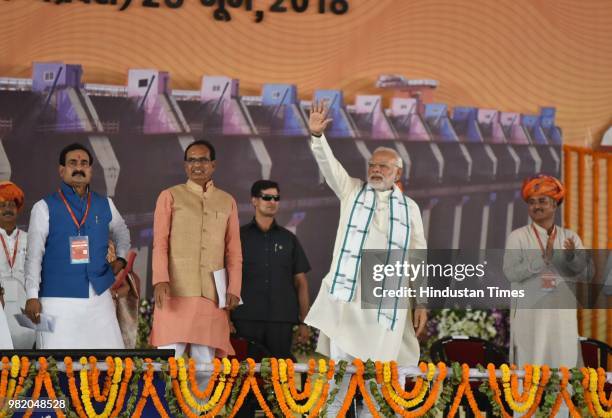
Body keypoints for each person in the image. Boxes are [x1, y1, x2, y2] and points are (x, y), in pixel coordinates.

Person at [304, 101, 428, 417]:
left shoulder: (409, 208)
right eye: (372, 165)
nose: (375, 170)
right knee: (339, 378)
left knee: (378, 383)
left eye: (383, 166)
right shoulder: (352, 192)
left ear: (398, 172)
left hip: (387, 306)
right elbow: (329, 167)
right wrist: (318, 136)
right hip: (349, 301)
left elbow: (418, 258)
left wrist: (421, 302)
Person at [24, 143, 131, 349]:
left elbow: (122, 232)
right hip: (56, 299)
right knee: (58, 367)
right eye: (73, 163)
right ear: (61, 170)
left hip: (99, 298)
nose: (79, 168)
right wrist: (31, 296)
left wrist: (121, 259)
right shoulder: (44, 207)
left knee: (108, 363)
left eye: (84, 163)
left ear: (91, 170)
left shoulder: (105, 203)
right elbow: (34, 256)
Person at [150, 140, 242, 364]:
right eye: (191, 160)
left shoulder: (227, 201)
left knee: (204, 367)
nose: (197, 165)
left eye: (202, 159)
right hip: (175, 291)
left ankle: (200, 402)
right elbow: (159, 243)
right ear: (185, 166)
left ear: (213, 165)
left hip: (211, 294)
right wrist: (160, 279)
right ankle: (162, 400)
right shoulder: (170, 196)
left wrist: (234, 288)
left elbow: (234, 251)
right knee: (167, 363)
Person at [231, 180, 311, 417]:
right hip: (246, 319)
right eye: (267, 197)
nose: (272, 202)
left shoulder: (288, 239)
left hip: (280, 320)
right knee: (245, 378)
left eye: (276, 198)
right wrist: (226, 316)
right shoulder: (238, 237)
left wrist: (304, 321)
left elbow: (301, 282)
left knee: (279, 378)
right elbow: (226, 279)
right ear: (254, 201)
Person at [504, 174, 589, 368]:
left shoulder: (570, 238)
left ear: (555, 203)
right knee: (529, 376)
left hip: (561, 320)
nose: (536, 206)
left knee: (563, 373)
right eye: (531, 202)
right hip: (530, 320)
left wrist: (569, 258)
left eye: (542, 200)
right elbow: (510, 273)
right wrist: (542, 259)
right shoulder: (518, 237)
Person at [0, 181, 34, 349]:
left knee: (28, 362)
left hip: (25, 308)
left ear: (18, 208)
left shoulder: (30, 239)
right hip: (1, 307)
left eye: (11, 205)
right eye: (2, 205)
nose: (7, 209)